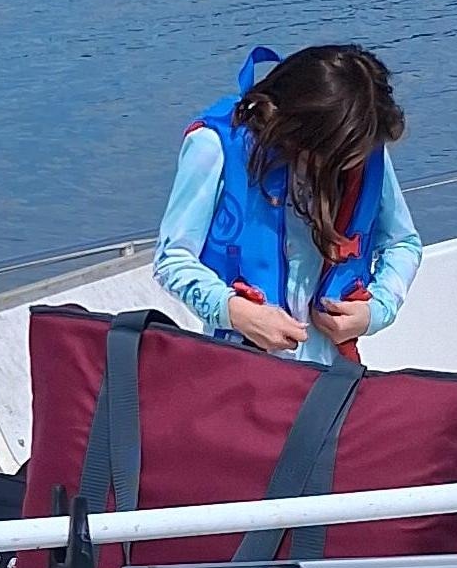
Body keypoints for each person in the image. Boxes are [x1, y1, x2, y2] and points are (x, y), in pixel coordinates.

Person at [155, 42, 422, 365]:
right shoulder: (214, 147)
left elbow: (402, 242)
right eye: (338, 159)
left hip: (332, 372)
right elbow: (172, 259)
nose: (349, 166)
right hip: (240, 367)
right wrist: (236, 312)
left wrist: (376, 311)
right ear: (302, 132)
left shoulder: (361, 146)